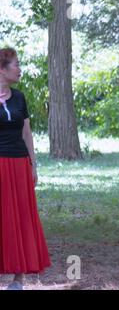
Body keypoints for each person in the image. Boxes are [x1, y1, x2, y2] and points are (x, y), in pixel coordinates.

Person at [0, 47, 51, 290]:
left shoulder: (19, 97)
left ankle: (18, 278)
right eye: (15, 65)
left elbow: (26, 132)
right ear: (2, 69)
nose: (19, 69)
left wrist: (33, 164)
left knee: (19, 217)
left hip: (19, 164)